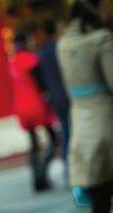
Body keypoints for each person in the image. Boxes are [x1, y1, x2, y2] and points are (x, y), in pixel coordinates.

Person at [57, 0, 113, 213]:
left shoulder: (63, 44)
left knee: (100, 201)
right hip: (107, 119)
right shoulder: (101, 40)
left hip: (81, 121)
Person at [9, 31, 58, 192]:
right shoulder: (31, 59)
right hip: (36, 104)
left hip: (21, 107)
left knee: (33, 144)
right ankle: (42, 173)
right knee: (53, 138)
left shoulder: (12, 62)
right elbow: (41, 84)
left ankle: (36, 178)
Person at [33, 19, 70, 179]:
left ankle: (67, 166)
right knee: (71, 132)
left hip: (54, 98)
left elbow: (39, 80)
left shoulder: (41, 54)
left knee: (65, 132)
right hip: (67, 96)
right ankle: (72, 167)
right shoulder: (59, 50)